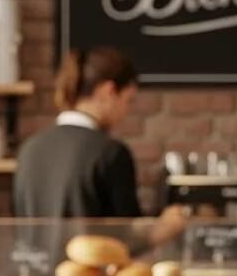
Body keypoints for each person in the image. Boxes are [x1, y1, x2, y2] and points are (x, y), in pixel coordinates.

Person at [14, 46, 142, 218]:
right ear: (108, 91)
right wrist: (164, 228)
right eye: (128, 100)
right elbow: (127, 236)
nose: (126, 111)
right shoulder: (111, 153)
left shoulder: (29, 150)